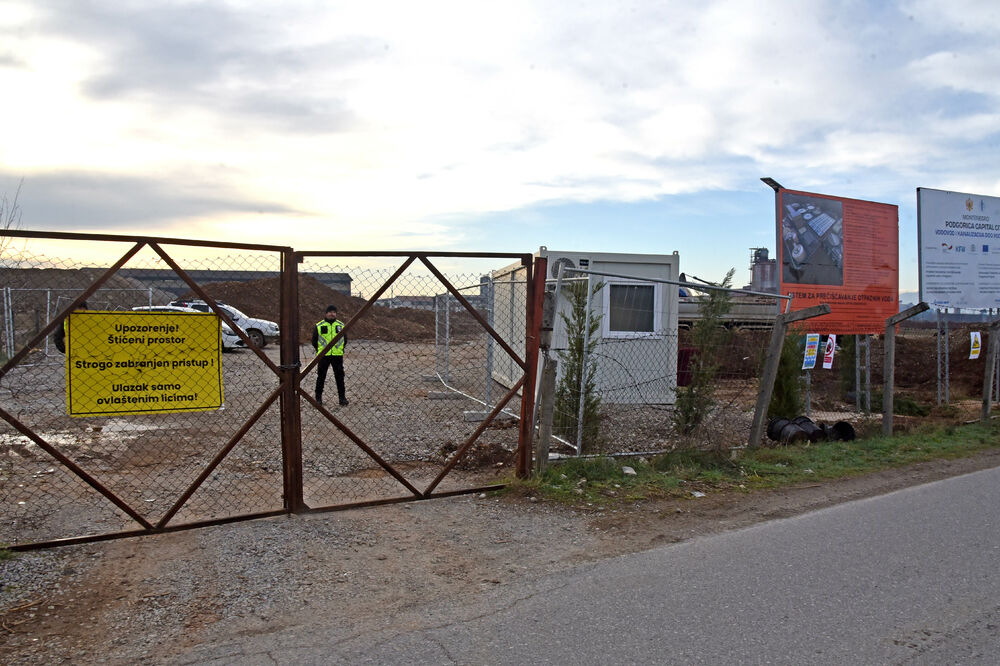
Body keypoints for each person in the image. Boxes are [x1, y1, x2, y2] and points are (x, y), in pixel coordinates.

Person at [311, 304, 348, 406]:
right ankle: (318, 398)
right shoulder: (319, 325)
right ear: (326, 313)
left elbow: (345, 340)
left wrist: (339, 349)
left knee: (340, 377)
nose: (332, 314)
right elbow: (314, 341)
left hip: (337, 355)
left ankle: (342, 398)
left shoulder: (340, 325)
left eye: (334, 312)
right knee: (321, 377)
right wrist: (320, 350)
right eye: (330, 312)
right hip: (324, 356)